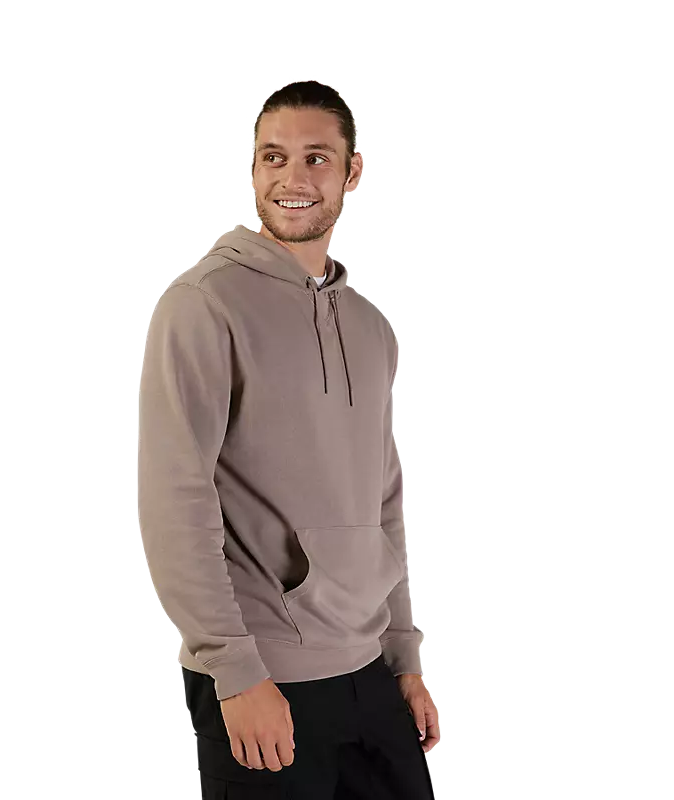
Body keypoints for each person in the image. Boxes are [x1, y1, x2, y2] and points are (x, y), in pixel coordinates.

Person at [137, 79, 441, 799]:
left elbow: (384, 500)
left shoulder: (371, 327)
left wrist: (403, 655)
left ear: (352, 172)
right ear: (252, 170)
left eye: (316, 158)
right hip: (263, 674)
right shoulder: (203, 304)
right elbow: (174, 498)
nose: (292, 178)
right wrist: (234, 669)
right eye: (273, 157)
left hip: (369, 670)